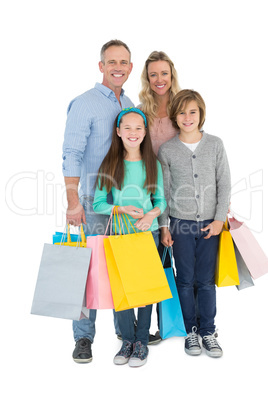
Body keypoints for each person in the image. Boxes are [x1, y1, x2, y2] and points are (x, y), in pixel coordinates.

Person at [62, 39, 134, 364]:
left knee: (122, 265)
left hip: (123, 202)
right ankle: (83, 338)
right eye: (112, 62)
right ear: (101, 66)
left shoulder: (128, 103)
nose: (118, 67)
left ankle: (126, 331)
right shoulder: (85, 103)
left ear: (130, 68)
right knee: (85, 268)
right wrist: (73, 201)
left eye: (124, 62)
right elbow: (72, 154)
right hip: (91, 200)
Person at [159, 89, 231, 358]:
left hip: (210, 226)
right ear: (175, 117)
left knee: (206, 281)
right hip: (181, 225)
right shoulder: (167, 150)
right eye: (182, 112)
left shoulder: (215, 144)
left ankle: (208, 331)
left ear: (200, 114)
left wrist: (219, 219)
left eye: (193, 111)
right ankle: (190, 330)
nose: (187, 117)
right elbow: (164, 192)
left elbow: (224, 183)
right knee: (185, 280)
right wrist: (164, 226)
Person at [93, 107, 167, 367]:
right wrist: (121, 208)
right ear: (118, 132)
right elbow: (98, 203)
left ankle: (141, 342)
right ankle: (126, 341)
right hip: (121, 234)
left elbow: (161, 201)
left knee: (145, 289)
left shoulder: (152, 164)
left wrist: (151, 216)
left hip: (148, 234)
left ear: (145, 132)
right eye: (127, 128)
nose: (133, 133)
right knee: (122, 289)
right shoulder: (110, 163)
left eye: (138, 128)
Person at [138, 50, 181, 342]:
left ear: (172, 75)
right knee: (156, 263)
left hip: (186, 195)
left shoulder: (184, 107)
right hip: (150, 195)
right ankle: (155, 326)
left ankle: (188, 323)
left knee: (186, 261)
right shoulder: (142, 110)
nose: (159, 79)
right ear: (147, 78)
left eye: (163, 73)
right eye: (153, 74)